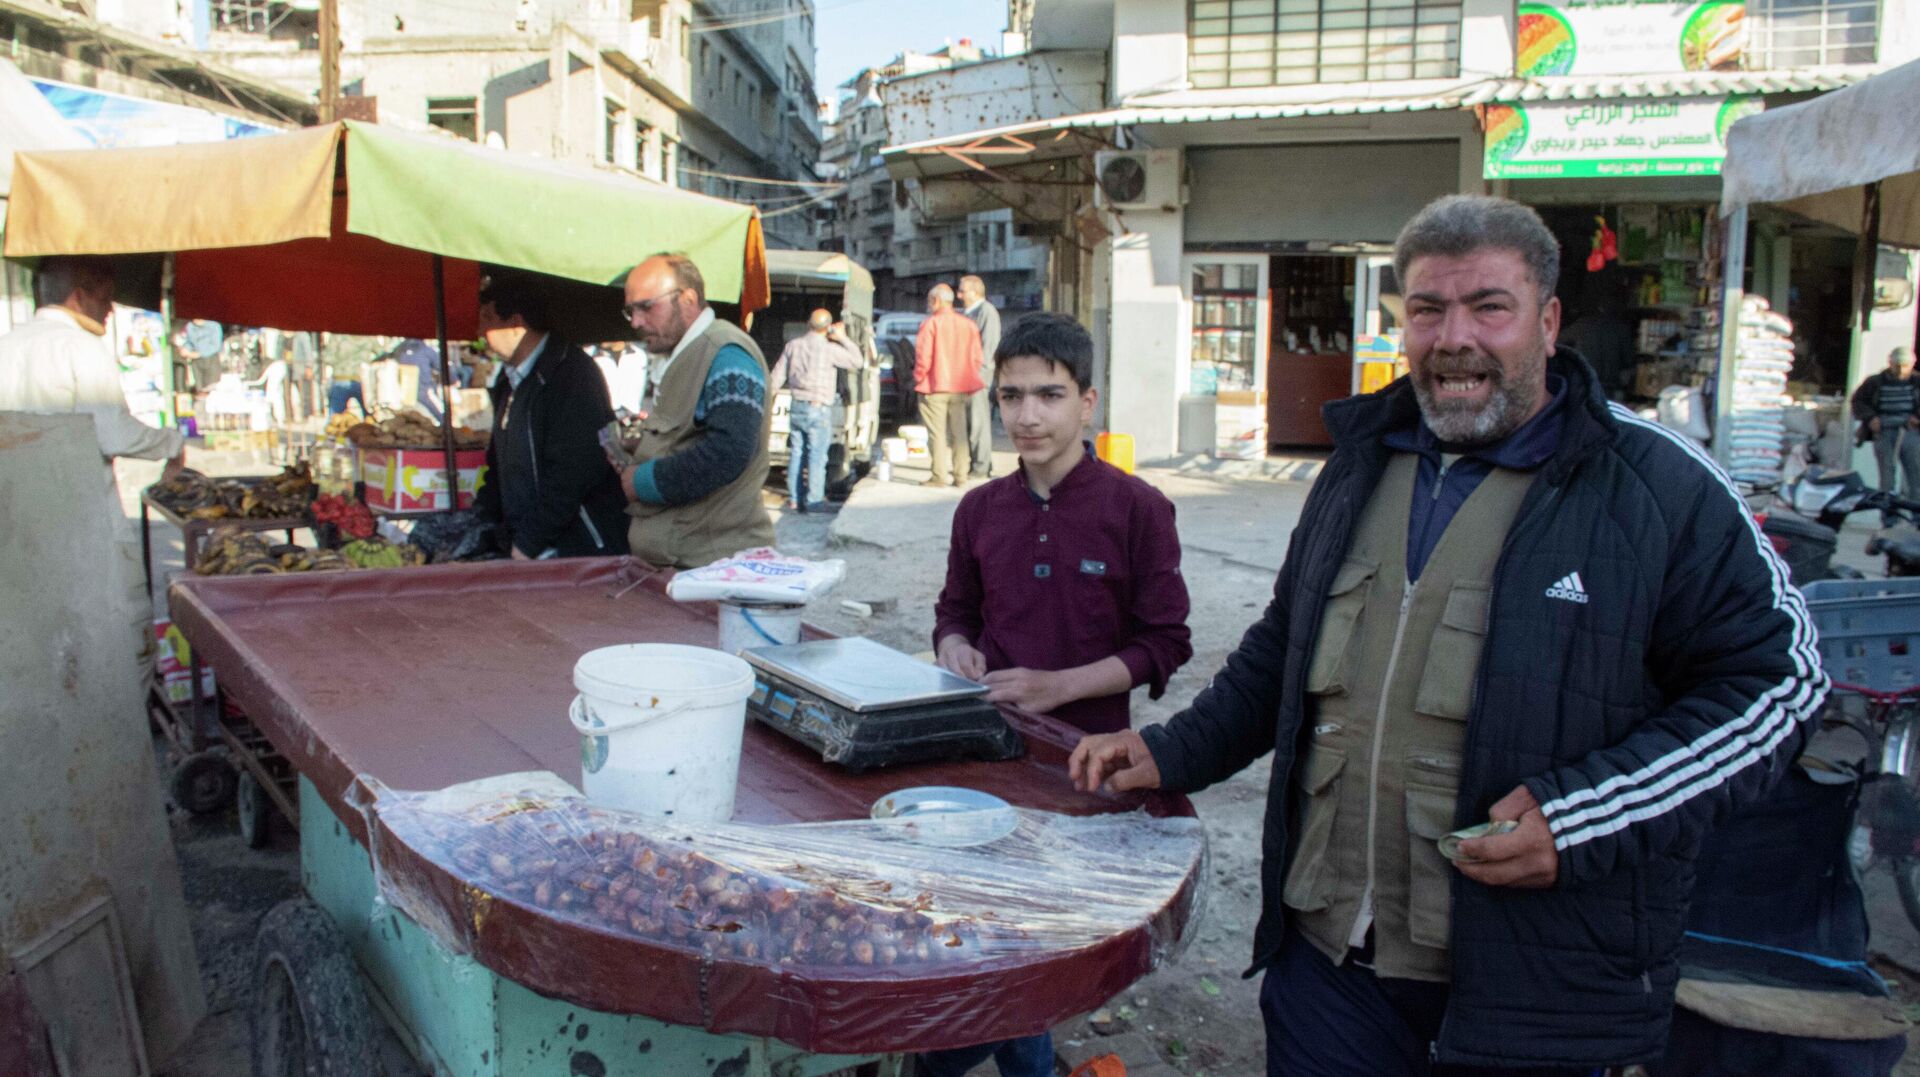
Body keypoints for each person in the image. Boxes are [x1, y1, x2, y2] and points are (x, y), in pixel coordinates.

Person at [1069, 195, 1826, 1076]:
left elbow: (1781, 687)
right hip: (1330, 966)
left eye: (1489, 307)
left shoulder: (1656, 486)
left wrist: (1585, 817)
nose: (1454, 337)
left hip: (1534, 995)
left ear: (1547, 321)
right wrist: (1173, 750)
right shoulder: (1361, 461)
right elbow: (1289, 642)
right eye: (1428, 309)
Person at [921, 313, 1192, 1077]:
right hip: (988, 760)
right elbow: (954, 610)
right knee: (991, 931)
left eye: (1049, 394)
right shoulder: (980, 509)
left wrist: (1059, 687)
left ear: (1088, 402)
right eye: (1011, 396)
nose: (1028, 415)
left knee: (1039, 946)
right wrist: (954, 647)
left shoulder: (1137, 508)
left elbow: (1165, 642)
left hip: (1087, 770)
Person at [615, 252, 775, 568]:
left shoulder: (725, 352)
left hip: (713, 570)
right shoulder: (691, 351)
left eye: (647, 307)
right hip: (688, 567)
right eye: (630, 311)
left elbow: (729, 451)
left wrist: (642, 480)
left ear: (687, 298)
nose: (636, 322)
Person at [470, 275, 628, 560]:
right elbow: (499, 467)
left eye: (487, 318)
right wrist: (483, 524)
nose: (480, 330)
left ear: (516, 323)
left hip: (578, 549)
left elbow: (574, 471)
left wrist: (528, 543)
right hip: (528, 545)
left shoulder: (571, 375)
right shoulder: (508, 384)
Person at [0, 256, 185, 483]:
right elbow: (114, 433)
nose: (110, 309)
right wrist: (172, 443)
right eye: (105, 298)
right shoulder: (82, 347)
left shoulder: (6, 345)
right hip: (75, 503)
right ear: (78, 297)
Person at [768, 308, 867, 513]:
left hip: (796, 406)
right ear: (827, 327)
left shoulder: (793, 346)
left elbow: (775, 379)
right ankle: (813, 501)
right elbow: (857, 361)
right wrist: (843, 338)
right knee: (817, 456)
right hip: (818, 407)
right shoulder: (829, 349)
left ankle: (795, 499)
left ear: (808, 324)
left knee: (797, 453)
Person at [913, 283, 984, 487]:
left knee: (937, 433)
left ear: (936, 301)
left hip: (934, 386)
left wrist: (919, 378)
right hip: (961, 386)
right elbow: (977, 358)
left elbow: (923, 357)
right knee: (959, 432)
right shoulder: (968, 325)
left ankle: (939, 475)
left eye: (929, 300)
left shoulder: (931, 324)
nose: (928, 304)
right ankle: (961, 475)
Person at [1852, 345, 1918, 524]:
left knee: (1915, 475)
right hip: (1884, 430)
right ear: (1890, 364)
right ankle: (1889, 518)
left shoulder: (1917, 381)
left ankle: (1917, 518)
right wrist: (1870, 418)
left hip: (1910, 431)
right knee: (1887, 476)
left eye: (1905, 365)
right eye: (1897, 365)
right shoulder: (1875, 381)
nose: (1901, 370)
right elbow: (1858, 401)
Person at [958, 274, 1002, 479]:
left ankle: (981, 466)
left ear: (975, 292)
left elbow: (989, 347)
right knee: (970, 424)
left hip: (978, 378)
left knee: (978, 424)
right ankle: (976, 462)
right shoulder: (969, 313)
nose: (959, 295)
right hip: (967, 377)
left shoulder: (986, 312)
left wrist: (977, 376)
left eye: (962, 291)